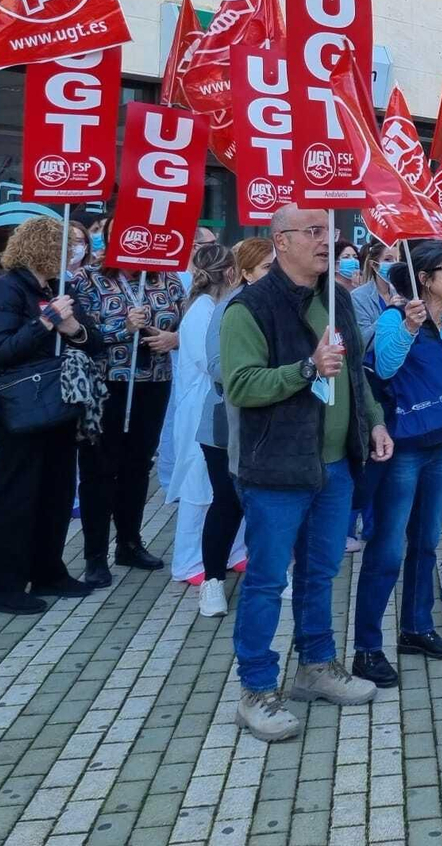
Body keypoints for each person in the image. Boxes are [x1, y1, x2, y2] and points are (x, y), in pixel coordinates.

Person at [221, 205, 393, 741]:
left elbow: (356, 376)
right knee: (268, 580)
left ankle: (316, 667)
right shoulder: (249, 308)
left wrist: (374, 422)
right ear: (281, 241)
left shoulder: (337, 297)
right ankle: (255, 689)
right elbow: (242, 385)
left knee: (320, 573)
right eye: (313, 232)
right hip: (276, 467)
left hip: (336, 463)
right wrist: (305, 369)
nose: (327, 241)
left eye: (330, 231)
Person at [356, 241, 442, 684]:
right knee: (387, 548)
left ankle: (416, 627)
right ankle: (367, 648)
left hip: (438, 447)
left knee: (426, 543)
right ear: (424, 279)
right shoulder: (396, 318)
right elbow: (386, 369)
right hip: (402, 450)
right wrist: (409, 327)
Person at [0, 215, 105, 614]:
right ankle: (4, 585)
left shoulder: (59, 288)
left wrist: (72, 329)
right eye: (68, 248)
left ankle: (48, 570)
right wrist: (47, 322)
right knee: (17, 496)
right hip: (22, 408)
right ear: (44, 249)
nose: (75, 254)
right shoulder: (5, 290)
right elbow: (2, 350)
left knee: (56, 492)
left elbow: (93, 340)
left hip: (61, 405)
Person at [74, 219, 187, 584]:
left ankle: (130, 541)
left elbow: (190, 323)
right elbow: (81, 335)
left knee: (138, 466)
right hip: (107, 385)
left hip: (153, 383)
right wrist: (124, 327)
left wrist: (174, 339)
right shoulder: (88, 280)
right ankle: (95, 555)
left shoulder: (166, 279)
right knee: (99, 468)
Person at [198, 236, 273, 617]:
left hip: (272, 424)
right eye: (266, 269)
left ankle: (270, 574)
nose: (274, 276)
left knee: (269, 504)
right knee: (227, 502)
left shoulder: (287, 305)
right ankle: (212, 581)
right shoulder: (229, 308)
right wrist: (267, 378)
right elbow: (216, 366)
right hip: (225, 424)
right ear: (245, 273)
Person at [167, 244, 239, 586]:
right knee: (198, 487)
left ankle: (234, 551)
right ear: (228, 273)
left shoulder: (219, 306)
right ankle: (186, 560)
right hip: (200, 407)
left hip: (217, 405)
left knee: (227, 487)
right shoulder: (202, 310)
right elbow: (206, 361)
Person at [350, 239, 401, 342]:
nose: (394, 264)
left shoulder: (401, 294)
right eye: (388, 260)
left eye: (398, 259)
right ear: (374, 265)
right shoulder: (358, 297)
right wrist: (388, 313)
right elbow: (363, 341)